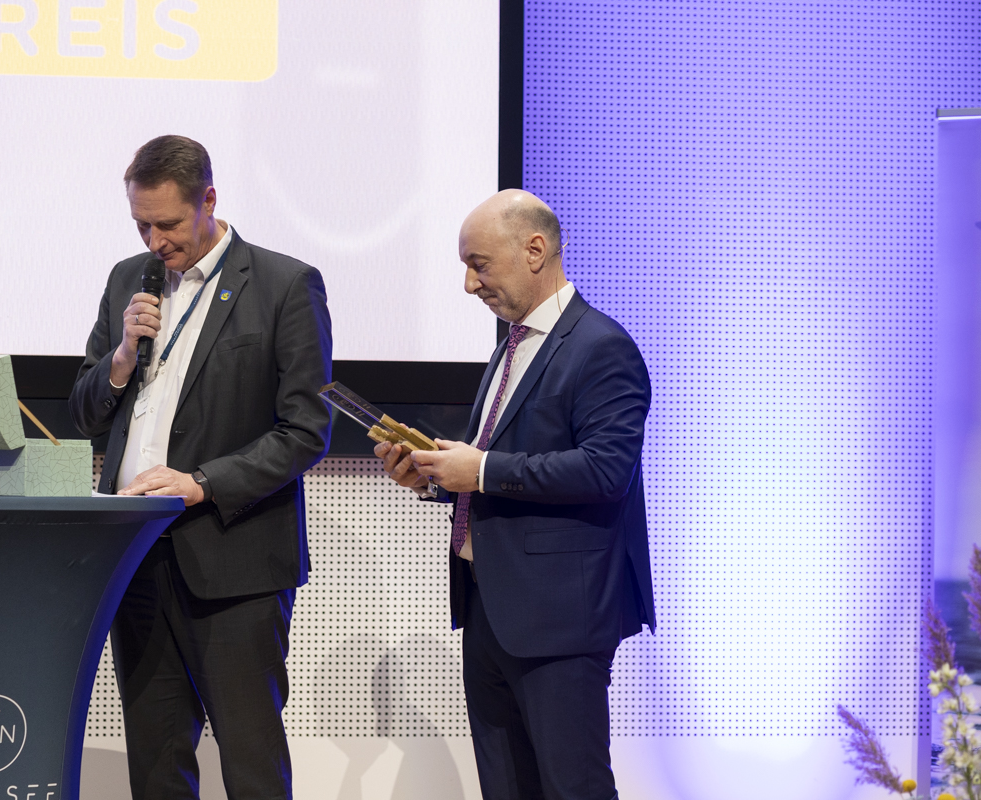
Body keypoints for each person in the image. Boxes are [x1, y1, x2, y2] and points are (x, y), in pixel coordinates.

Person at [69, 135, 333, 800]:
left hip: (233, 561)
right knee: (156, 761)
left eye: (167, 224)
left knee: (250, 762)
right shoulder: (126, 279)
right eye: (141, 225)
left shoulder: (284, 285)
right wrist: (121, 357)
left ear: (208, 200)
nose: (154, 241)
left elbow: (306, 430)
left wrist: (201, 483)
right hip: (135, 555)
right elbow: (85, 412)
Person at [375, 189, 655, 800]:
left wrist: (478, 470)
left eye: (479, 264)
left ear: (534, 250)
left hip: (560, 621)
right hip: (490, 612)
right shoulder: (510, 345)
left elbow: (607, 470)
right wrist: (434, 478)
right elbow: (502, 469)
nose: (469, 285)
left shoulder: (602, 346)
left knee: (574, 788)